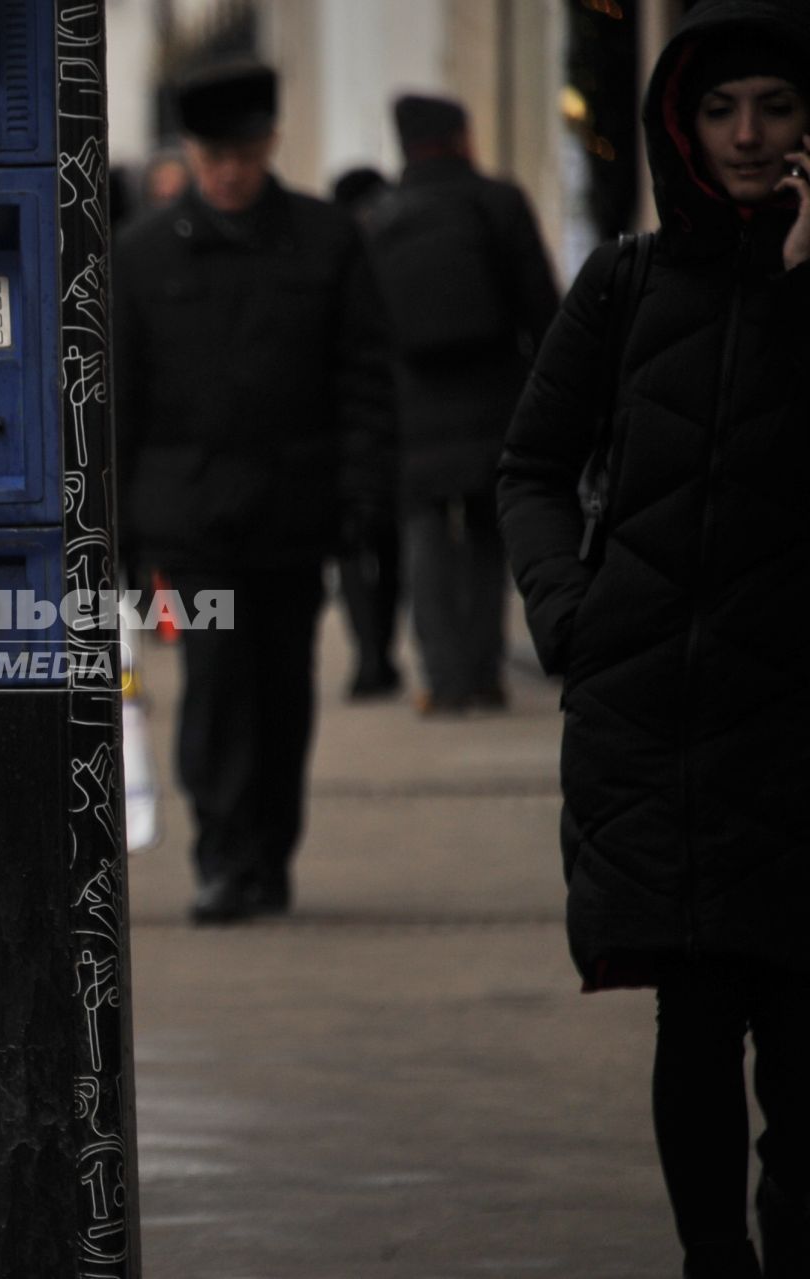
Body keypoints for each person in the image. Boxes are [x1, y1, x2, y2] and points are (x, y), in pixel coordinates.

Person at [499, 2, 810, 1274]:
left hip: (797, 717)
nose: (745, 135)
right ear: (679, 125)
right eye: (720, 109)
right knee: (697, 1019)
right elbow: (529, 461)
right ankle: (711, 1260)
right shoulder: (625, 282)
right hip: (660, 722)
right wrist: (572, 615)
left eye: (776, 106)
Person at [113, 61, 396, 925]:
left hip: (294, 510)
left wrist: (362, 500)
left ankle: (269, 852)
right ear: (193, 154)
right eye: (212, 154)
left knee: (282, 689)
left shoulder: (325, 239)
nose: (228, 170)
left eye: (242, 151)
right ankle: (223, 855)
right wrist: (120, 534)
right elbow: (120, 398)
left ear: (270, 143)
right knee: (216, 683)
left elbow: (364, 380)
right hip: (193, 522)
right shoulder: (144, 251)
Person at [370, 94, 559, 716]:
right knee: (486, 533)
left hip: (412, 403)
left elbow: (363, 331)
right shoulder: (498, 202)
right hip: (493, 395)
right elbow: (541, 304)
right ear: (460, 137)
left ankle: (441, 678)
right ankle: (483, 673)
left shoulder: (380, 217)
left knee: (424, 539)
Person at [330, 165, 405, 700]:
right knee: (389, 544)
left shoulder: (330, 257)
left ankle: (369, 656)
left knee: (354, 549)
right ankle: (379, 654)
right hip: (396, 422)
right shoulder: (401, 244)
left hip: (342, 426)